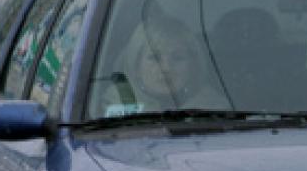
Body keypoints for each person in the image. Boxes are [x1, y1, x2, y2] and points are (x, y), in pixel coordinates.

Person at [95, 15, 230, 117]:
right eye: (155, 58)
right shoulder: (112, 108)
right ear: (136, 66)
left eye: (177, 58)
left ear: (193, 66)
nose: (166, 68)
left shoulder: (216, 110)